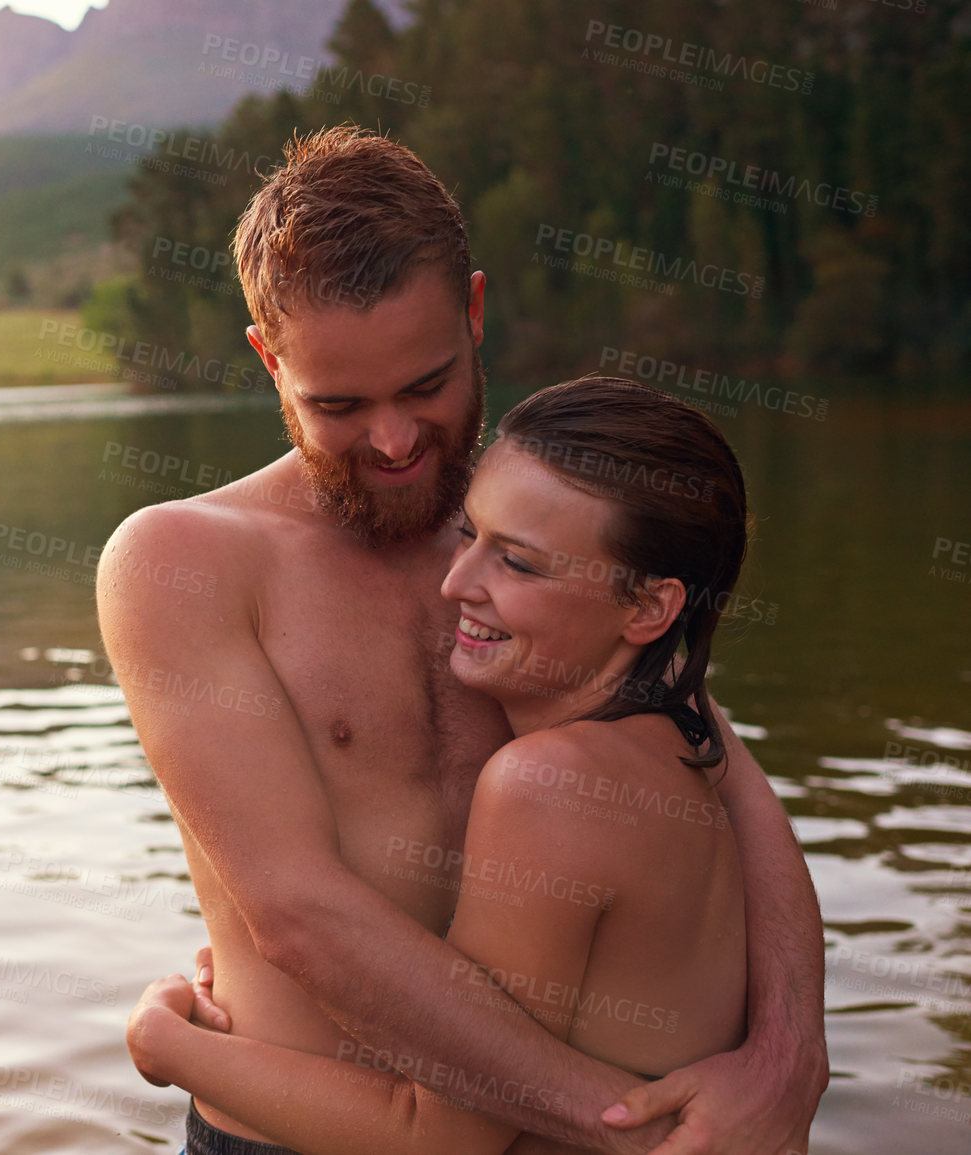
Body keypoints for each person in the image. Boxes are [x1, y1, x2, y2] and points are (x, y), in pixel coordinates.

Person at [94, 126, 825, 1155]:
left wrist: (789, 1060)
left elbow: (732, 785)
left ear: (474, 314)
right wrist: (625, 1126)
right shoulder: (186, 563)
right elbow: (297, 914)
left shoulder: (542, 535)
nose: (394, 441)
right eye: (339, 405)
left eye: (426, 387)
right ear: (270, 362)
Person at [126, 375, 761, 1154]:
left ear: (648, 608)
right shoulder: (681, 749)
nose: (456, 582)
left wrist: (170, 1046)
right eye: (469, 535)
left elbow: (442, 1137)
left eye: (520, 564)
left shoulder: (548, 786)